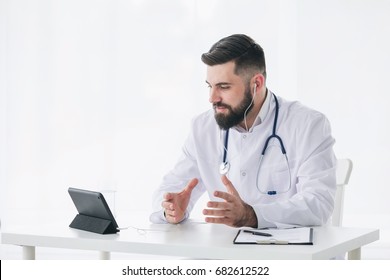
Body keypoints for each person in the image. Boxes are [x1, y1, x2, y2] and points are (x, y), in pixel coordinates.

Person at [150, 34, 337, 229]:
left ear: (257, 84)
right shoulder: (202, 128)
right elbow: (170, 188)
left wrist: (252, 215)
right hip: (229, 254)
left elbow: (318, 203)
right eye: (210, 86)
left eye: (223, 87)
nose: (212, 98)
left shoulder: (308, 125)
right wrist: (170, 209)